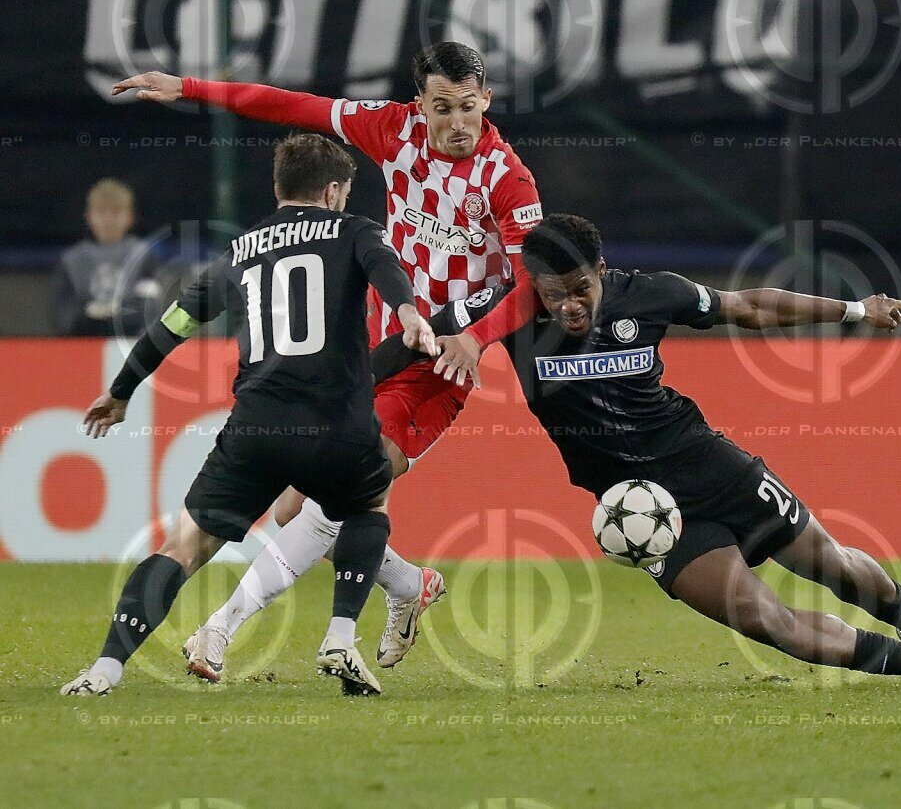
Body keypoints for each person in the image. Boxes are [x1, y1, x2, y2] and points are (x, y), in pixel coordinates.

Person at [374, 214, 901, 691]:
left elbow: (747, 306)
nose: (569, 305)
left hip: (708, 465)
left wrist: (856, 308)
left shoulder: (648, 295)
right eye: (553, 293)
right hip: (643, 513)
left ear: (602, 268)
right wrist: (333, 387)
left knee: (833, 565)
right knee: (764, 620)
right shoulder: (503, 312)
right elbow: (415, 340)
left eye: (581, 288)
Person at [111, 41, 544, 672]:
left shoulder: (506, 177)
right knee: (295, 505)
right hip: (367, 348)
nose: (457, 123)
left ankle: (218, 630)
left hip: (440, 357)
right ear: (418, 103)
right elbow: (294, 105)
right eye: (442, 107)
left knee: (325, 505)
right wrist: (190, 88)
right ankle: (407, 586)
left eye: (468, 107)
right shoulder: (391, 129)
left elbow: (531, 282)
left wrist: (475, 338)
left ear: (487, 100)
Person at [59, 133, 436, 698]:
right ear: (334, 192)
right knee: (365, 503)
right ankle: (339, 635)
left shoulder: (239, 252)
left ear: (280, 188)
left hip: (257, 427)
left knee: (181, 549)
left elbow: (174, 325)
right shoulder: (356, 230)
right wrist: (409, 312)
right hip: (339, 426)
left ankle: (105, 669)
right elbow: (384, 268)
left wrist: (121, 390)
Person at [52, 177, 160, 336]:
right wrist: (88, 315)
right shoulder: (71, 261)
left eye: (116, 211)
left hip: (130, 346)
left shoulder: (143, 256)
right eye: (101, 211)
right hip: (82, 347)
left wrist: (115, 314)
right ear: (89, 216)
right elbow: (63, 316)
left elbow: (149, 311)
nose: (108, 220)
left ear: (130, 217)